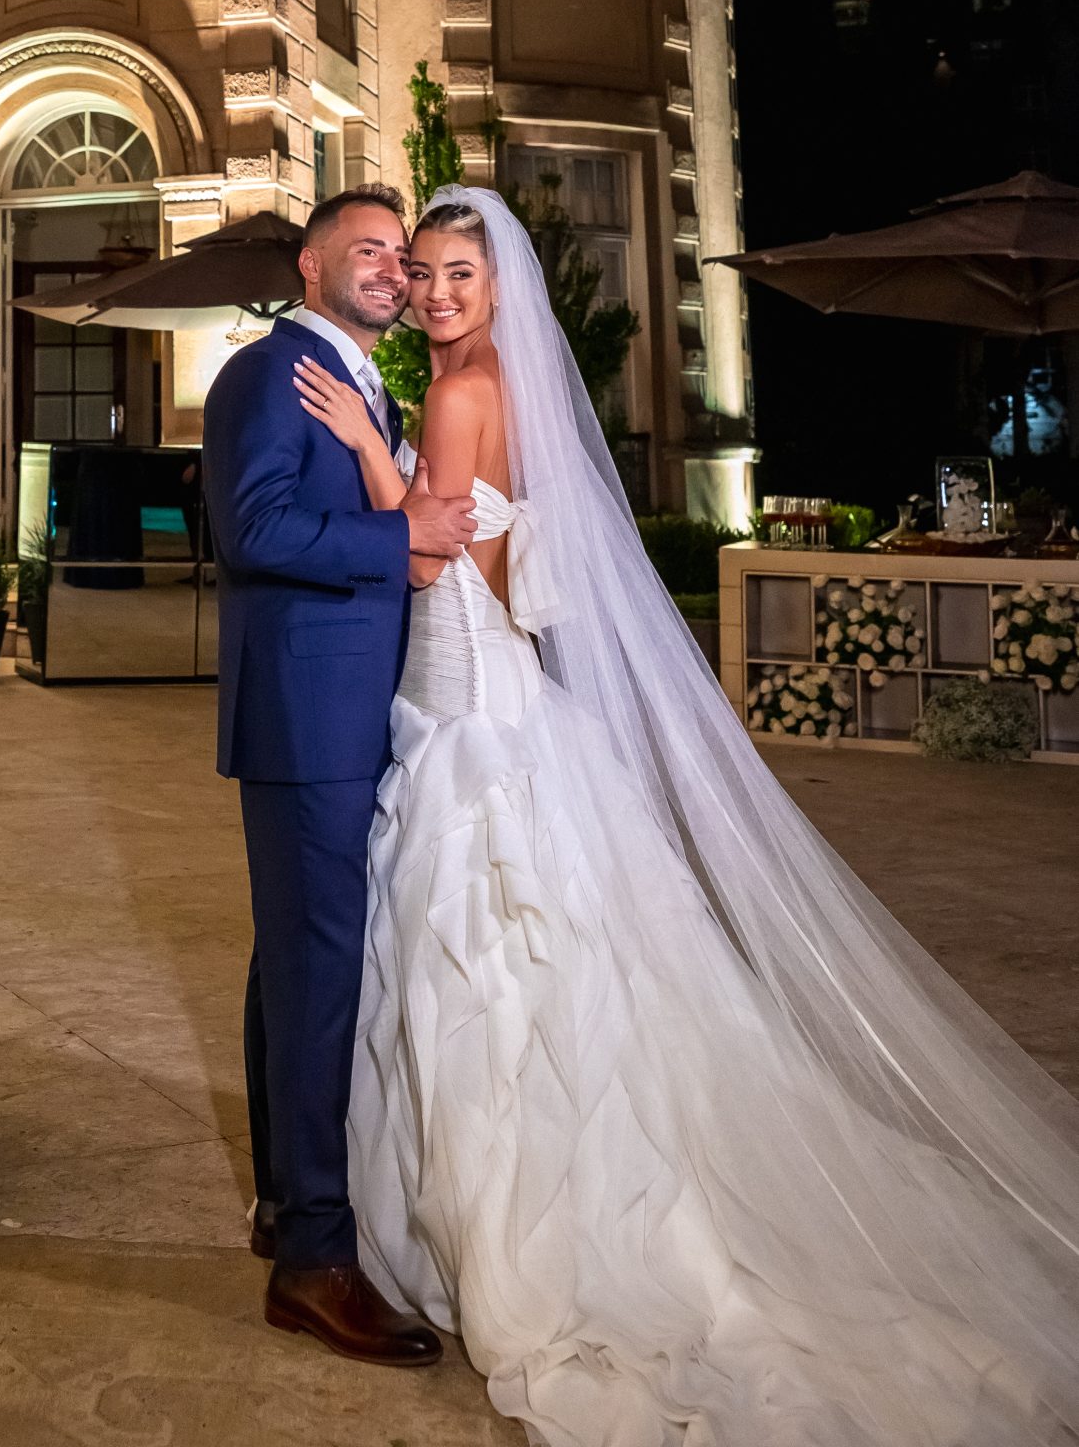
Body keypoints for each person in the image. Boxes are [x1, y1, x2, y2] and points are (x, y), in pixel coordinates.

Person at [292, 187, 1079, 1447]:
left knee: (493, 984)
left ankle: (512, 1241)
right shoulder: (499, 384)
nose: (435, 291)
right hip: (483, 706)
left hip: (471, 722)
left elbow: (439, 557)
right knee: (535, 993)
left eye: (457, 275)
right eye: (423, 271)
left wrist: (371, 454)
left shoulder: (454, 392)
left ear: (498, 295)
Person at [201, 184, 476, 1367]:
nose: (388, 268)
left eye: (396, 256)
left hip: (349, 711)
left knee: (296, 962)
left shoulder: (370, 384)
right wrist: (405, 534)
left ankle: (281, 1205)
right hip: (308, 717)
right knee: (318, 971)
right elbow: (252, 530)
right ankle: (317, 1256)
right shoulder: (269, 374)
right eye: (363, 250)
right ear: (309, 268)